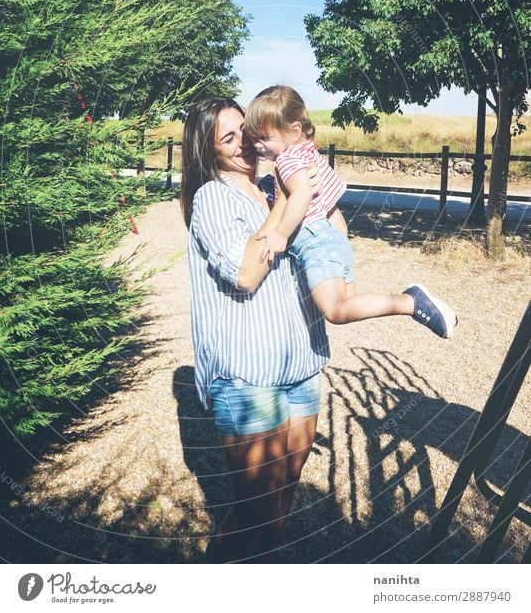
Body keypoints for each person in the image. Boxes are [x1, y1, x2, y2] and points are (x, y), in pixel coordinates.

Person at [180, 96, 330, 563]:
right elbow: (247, 273)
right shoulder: (212, 198)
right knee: (257, 507)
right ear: (209, 153)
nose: (243, 142)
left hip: (301, 360)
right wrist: (289, 198)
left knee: (284, 490)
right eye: (227, 138)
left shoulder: (272, 186)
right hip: (248, 373)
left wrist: (308, 182)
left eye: (244, 129)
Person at [244, 85, 458, 338]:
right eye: (254, 137)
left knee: (335, 311)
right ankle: (419, 305)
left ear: (294, 131)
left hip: (315, 242)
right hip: (333, 239)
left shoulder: (288, 160)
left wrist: (280, 233)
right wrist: (340, 242)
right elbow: (329, 206)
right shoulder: (309, 155)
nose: (257, 145)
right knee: (348, 304)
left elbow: (301, 195)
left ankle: (410, 302)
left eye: (265, 138)